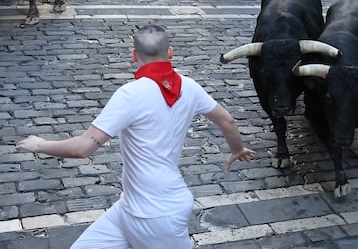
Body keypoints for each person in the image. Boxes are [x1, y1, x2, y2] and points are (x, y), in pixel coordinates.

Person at [16, 24, 256, 249]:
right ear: (170, 52)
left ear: (134, 55)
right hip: (132, 207)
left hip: (158, 216)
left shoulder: (130, 94)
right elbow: (227, 120)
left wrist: (41, 145)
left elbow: (83, 148)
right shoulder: (190, 86)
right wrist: (237, 150)